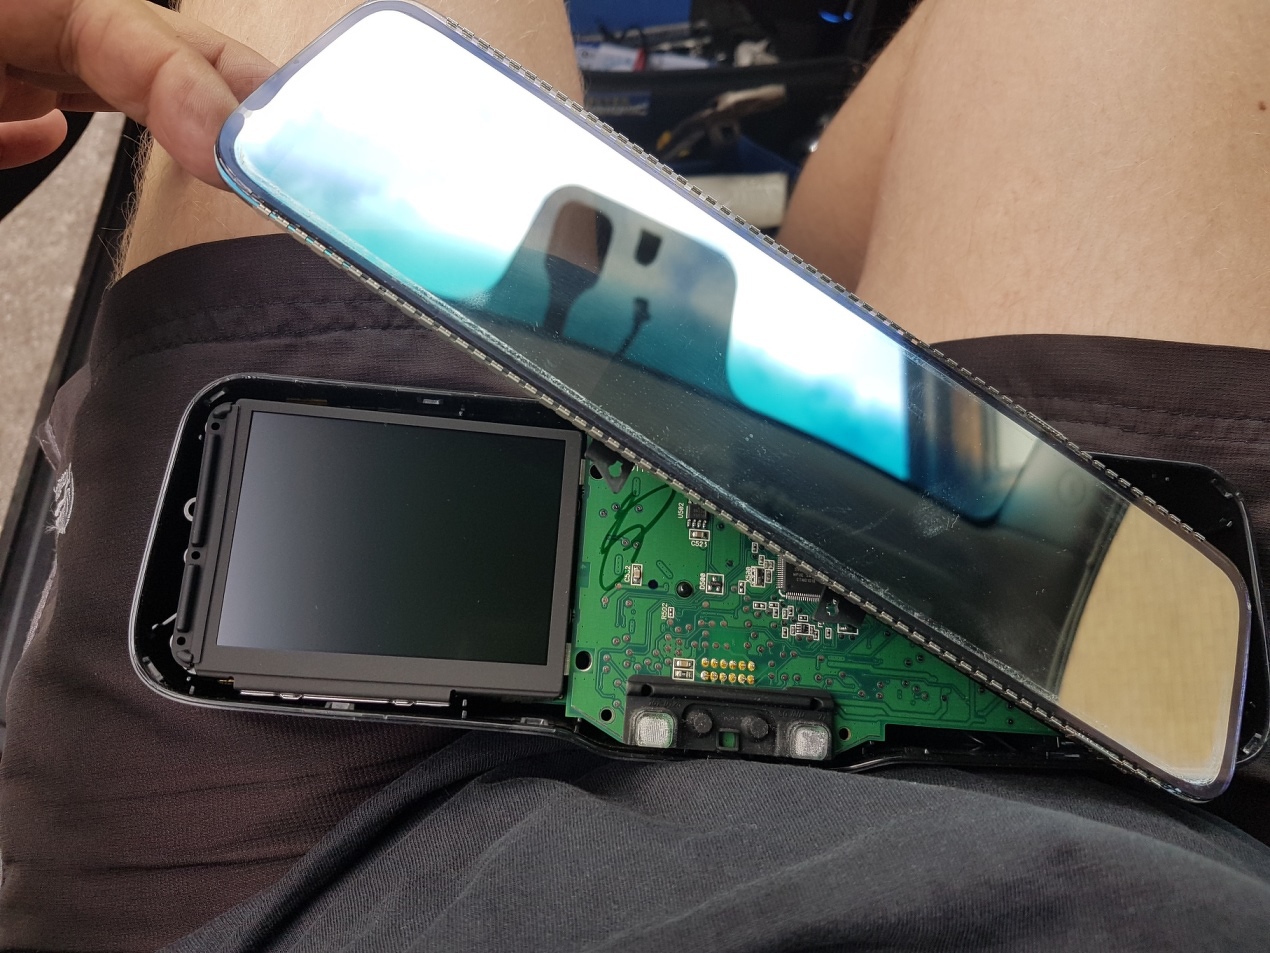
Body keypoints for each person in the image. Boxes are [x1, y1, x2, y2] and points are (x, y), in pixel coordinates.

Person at [2, 0, 1269, 948]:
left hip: (295, 882)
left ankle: (812, 264)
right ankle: (815, 264)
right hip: (1144, 833)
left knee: (309, 104)